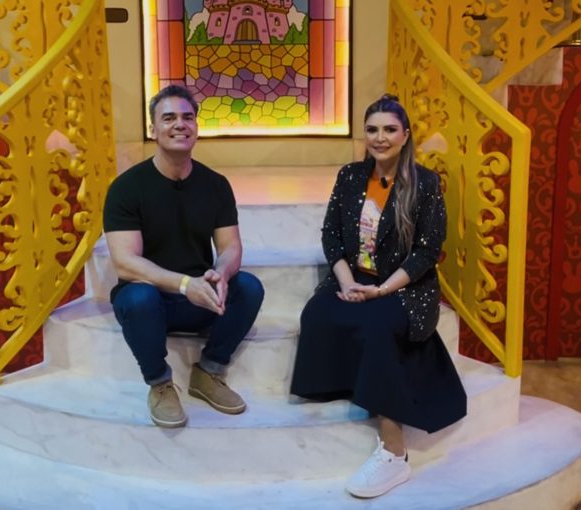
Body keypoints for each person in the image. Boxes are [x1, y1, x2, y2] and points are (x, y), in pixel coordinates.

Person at [290, 94, 467, 498]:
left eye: (389, 129)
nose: (380, 138)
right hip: (355, 278)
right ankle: (348, 384)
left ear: (405, 135)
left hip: (405, 286)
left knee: (377, 329)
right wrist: (345, 281)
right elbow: (331, 235)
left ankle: (394, 452)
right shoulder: (351, 176)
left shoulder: (424, 183)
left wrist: (381, 290)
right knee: (316, 313)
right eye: (372, 130)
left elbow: (426, 252)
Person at [103, 85, 264, 429]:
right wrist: (183, 283)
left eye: (188, 117)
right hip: (152, 300)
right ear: (153, 129)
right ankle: (160, 384)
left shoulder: (215, 184)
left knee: (249, 288)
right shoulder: (126, 188)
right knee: (138, 298)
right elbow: (125, 262)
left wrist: (220, 273)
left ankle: (208, 372)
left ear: (196, 127)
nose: (180, 124)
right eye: (169, 118)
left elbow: (231, 247)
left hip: (199, 297)